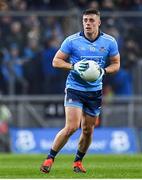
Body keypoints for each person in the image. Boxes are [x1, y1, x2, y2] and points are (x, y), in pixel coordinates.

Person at [40, 8, 120, 173]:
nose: (88, 24)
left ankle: (77, 162)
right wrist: (73, 66)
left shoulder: (110, 42)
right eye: (85, 21)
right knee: (72, 127)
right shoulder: (72, 41)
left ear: (99, 22)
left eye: (91, 20)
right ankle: (49, 158)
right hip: (75, 87)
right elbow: (56, 61)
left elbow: (116, 64)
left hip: (95, 90)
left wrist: (103, 71)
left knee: (88, 130)